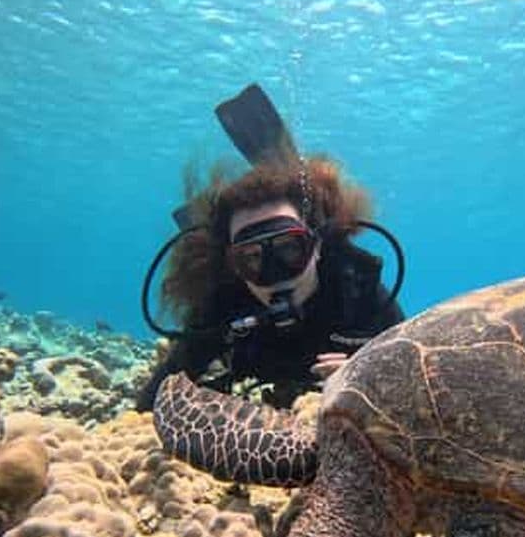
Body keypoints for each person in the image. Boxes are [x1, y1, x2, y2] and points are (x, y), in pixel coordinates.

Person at [136, 88, 404, 411]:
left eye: (290, 250)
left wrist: (369, 379)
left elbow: (416, 387)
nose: (275, 275)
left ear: (317, 246)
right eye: (251, 258)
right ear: (234, 268)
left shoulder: (357, 292)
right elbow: (151, 404)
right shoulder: (221, 307)